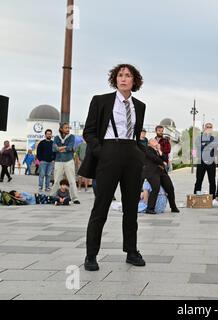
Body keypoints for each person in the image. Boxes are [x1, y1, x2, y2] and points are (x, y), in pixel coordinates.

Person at [79, 63, 147, 271]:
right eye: (120, 75)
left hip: (131, 155)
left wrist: (139, 152)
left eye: (128, 76)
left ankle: (131, 251)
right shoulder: (101, 101)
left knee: (130, 207)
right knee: (101, 205)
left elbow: (136, 134)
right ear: (115, 79)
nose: (123, 78)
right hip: (109, 152)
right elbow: (89, 132)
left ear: (134, 81)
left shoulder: (140, 106)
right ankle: (91, 254)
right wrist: (101, 151)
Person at [142, 138, 179, 214]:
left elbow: (166, 159)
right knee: (155, 188)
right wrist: (162, 162)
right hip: (152, 172)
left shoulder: (159, 150)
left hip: (161, 172)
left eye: (156, 141)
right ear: (149, 143)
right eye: (153, 141)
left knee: (170, 188)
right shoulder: (147, 149)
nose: (156, 142)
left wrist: (159, 150)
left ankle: (173, 207)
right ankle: (150, 208)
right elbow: (154, 158)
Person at [50, 123, 80, 204]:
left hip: (68, 160)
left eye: (68, 128)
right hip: (58, 161)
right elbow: (53, 148)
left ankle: (75, 198)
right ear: (61, 129)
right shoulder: (56, 137)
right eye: (66, 128)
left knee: (71, 180)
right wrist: (63, 148)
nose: (68, 129)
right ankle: (53, 196)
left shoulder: (71, 137)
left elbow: (70, 147)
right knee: (56, 180)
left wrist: (59, 148)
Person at [193, 123, 218, 197]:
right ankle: (196, 195)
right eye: (207, 127)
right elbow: (194, 149)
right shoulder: (199, 138)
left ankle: (212, 197)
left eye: (210, 127)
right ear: (204, 128)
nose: (209, 128)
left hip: (211, 162)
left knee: (212, 181)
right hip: (201, 161)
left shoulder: (214, 139)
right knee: (199, 180)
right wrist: (195, 157)